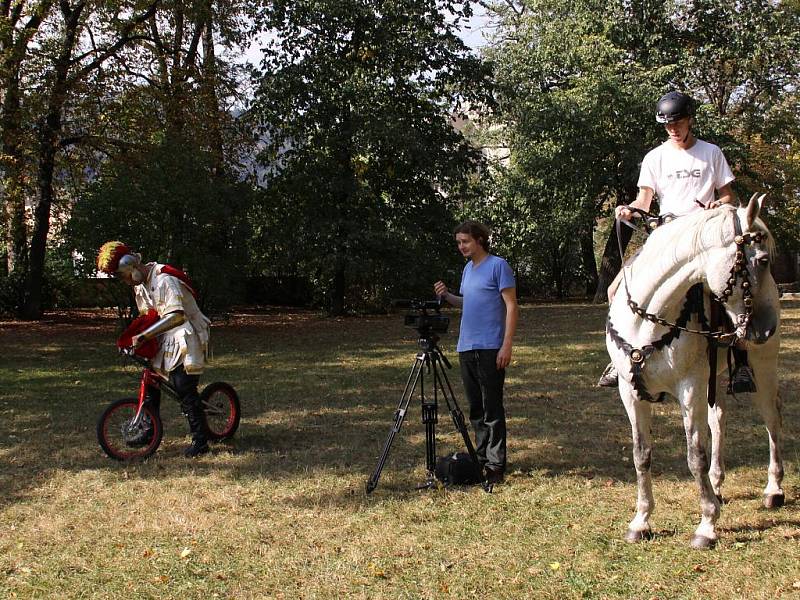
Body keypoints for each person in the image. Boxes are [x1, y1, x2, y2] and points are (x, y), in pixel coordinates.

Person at [597, 91, 756, 393]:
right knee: (616, 287)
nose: (673, 129)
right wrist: (630, 209)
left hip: (703, 237)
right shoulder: (654, 157)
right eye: (668, 125)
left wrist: (717, 205)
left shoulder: (711, 152)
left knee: (727, 290)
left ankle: (741, 360)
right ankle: (617, 358)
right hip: (666, 238)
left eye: (678, 123)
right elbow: (645, 200)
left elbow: (728, 195)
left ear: (689, 120)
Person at [97, 241, 212, 457]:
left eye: (123, 275)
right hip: (165, 336)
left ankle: (200, 439)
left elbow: (177, 315)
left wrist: (144, 336)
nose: (125, 281)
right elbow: (149, 316)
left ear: (132, 267)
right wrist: (132, 338)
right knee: (150, 384)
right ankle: (149, 431)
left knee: (183, 387)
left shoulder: (164, 279)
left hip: (185, 332)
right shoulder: (140, 286)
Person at [434, 221, 518, 484]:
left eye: (465, 241)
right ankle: (480, 458)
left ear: (480, 240)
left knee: (492, 407)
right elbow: (467, 301)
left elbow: (512, 307)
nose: (461, 246)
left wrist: (506, 345)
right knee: (476, 408)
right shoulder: (468, 270)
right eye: (459, 242)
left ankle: (496, 465)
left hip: (491, 346)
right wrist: (447, 295)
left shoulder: (498, 266)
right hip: (466, 347)